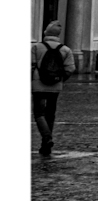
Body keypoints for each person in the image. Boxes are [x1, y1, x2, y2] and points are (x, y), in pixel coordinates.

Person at [32, 21, 74, 158]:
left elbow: (30, 66)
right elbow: (70, 69)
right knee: (51, 113)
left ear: (46, 33)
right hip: (55, 85)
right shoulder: (65, 49)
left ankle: (47, 137)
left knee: (39, 113)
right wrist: (60, 79)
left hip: (38, 85)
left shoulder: (36, 47)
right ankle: (45, 145)